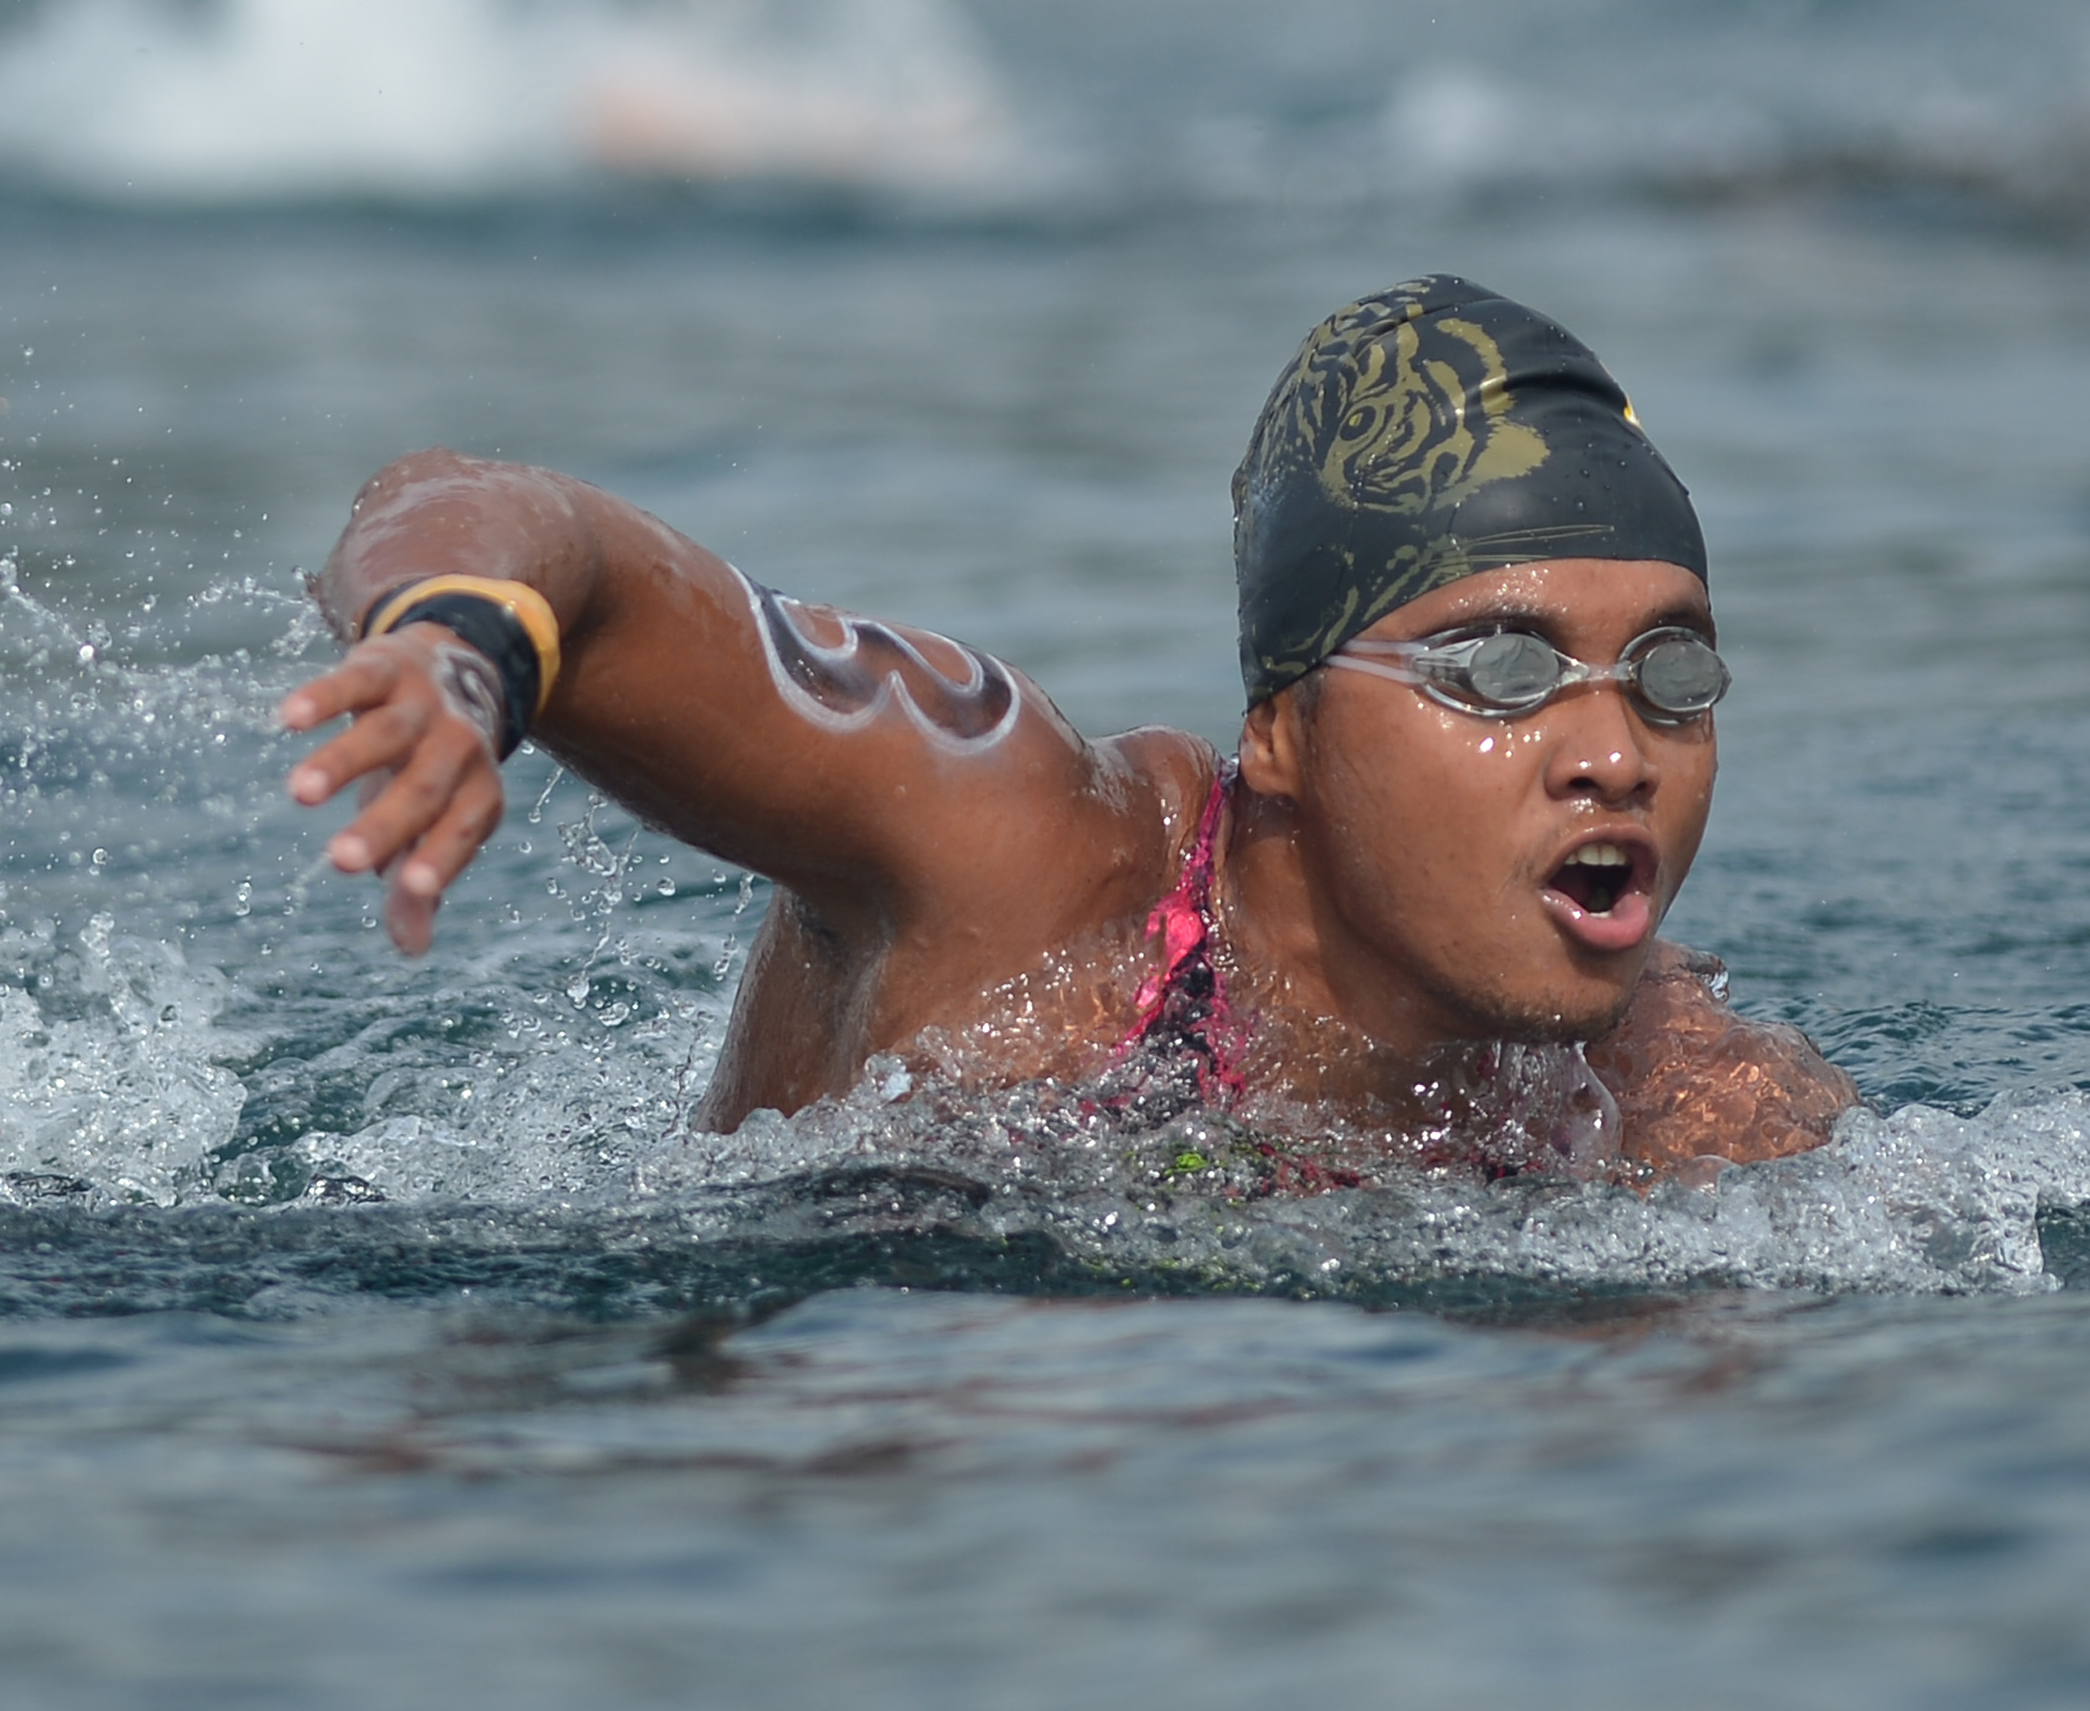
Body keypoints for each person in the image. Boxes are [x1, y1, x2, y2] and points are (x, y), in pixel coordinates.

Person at [274, 275, 1855, 1179]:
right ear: (1285, 730)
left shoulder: (1683, 1100)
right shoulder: (1021, 858)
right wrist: (453, 654)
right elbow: (482, 507)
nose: (1612, 750)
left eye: (1672, 675)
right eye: (1499, 672)